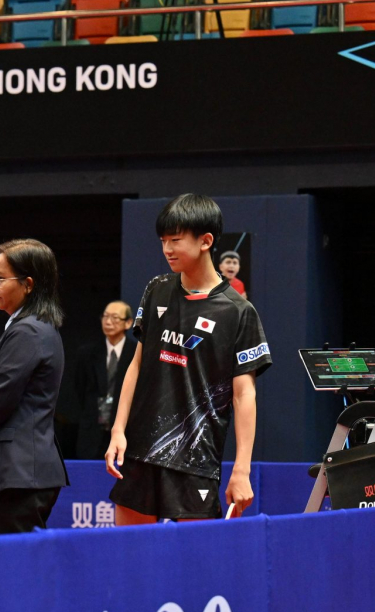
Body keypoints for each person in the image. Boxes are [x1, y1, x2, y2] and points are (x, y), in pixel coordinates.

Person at [107, 194, 271, 523]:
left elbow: (244, 395)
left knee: (196, 553)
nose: (167, 249)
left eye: (175, 240)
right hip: (141, 449)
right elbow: (136, 365)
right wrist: (118, 430)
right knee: (129, 549)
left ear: (205, 241)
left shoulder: (238, 311)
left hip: (196, 458)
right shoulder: (157, 289)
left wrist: (241, 469)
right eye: (163, 241)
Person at [0, 239, 70, 535]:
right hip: (22, 472)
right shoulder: (35, 328)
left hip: (18, 473)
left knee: (17, 561)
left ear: (28, 284)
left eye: (1, 278)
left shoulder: (28, 331)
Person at [72, 301, 138, 460]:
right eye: (105, 317)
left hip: (125, 432)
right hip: (92, 431)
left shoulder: (136, 353)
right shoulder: (87, 353)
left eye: (115, 318)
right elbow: (80, 388)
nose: (108, 322)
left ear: (128, 323)